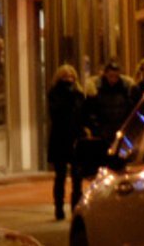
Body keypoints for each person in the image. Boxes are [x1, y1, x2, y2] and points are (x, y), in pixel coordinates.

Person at [47, 64, 88, 220]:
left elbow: (82, 114)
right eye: (65, 77)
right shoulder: (54, 94)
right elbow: (56, 114)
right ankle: (59, 207)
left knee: (77, 176)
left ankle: (76, 207)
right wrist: (67, 96)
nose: (68, 80)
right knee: (60, 175)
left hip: (76, 138)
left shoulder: (79, 94)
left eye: (71, 76)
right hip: (60, 138)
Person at [85, 61, 136, 148]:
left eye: (116, 76)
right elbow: (90, 110)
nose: (113, 79)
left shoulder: (125, 89)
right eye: (111, 76)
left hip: (120, 128)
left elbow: (130, 108)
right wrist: (95, 127)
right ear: (105, 75)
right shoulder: (97, 89)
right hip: (103, 129)